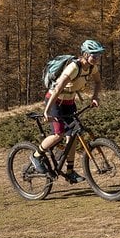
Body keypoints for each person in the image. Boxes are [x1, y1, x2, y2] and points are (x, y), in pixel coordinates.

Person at [31, 39, 105, 183]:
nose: (96, 58)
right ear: (85, 54)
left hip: (69, 102)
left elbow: (98, 81)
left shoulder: (91, 67)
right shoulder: (73, 68)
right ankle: (36, 156)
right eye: (93, 55)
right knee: (58, 135)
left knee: (72, 136)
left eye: (98, 55)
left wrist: (95, 97)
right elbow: (57, 89)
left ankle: (70, 171)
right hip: (54, 101)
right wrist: (46, 111)